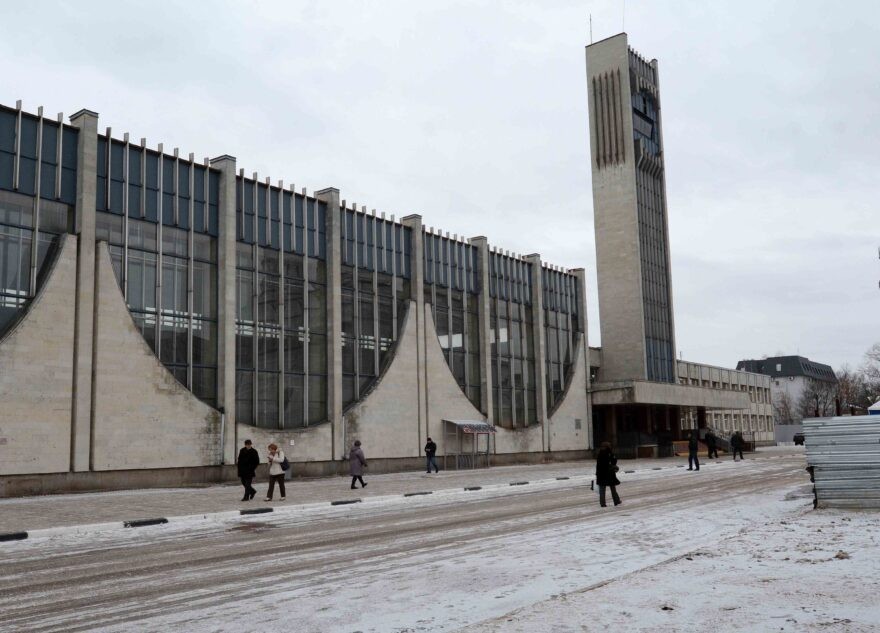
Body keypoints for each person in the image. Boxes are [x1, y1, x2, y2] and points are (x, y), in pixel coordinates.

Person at [595, 441, 621, 507]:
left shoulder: (600, 453)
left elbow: (598, 465)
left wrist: (597, 473)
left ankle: (602, 503)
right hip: (609, 474)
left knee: (602, 490)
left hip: (601, 474)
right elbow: (614, 461)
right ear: (608, 447)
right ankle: (616, 501)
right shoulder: (609, 453)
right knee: (613, 489)